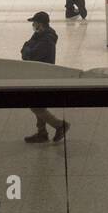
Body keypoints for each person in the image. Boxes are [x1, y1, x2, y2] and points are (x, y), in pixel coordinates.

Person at [21, 11, 69, 143]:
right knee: (39, 104)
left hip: (42, 75)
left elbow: (28, 55)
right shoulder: (39, 35)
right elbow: (26, 49)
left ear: (40, 24)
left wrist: (26, 47)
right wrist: (26, 47)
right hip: (37, 74)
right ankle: (41, 133)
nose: (33, 25)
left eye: (34, 23)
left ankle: (59, 125)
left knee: (35, 106)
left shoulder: (46, 40)